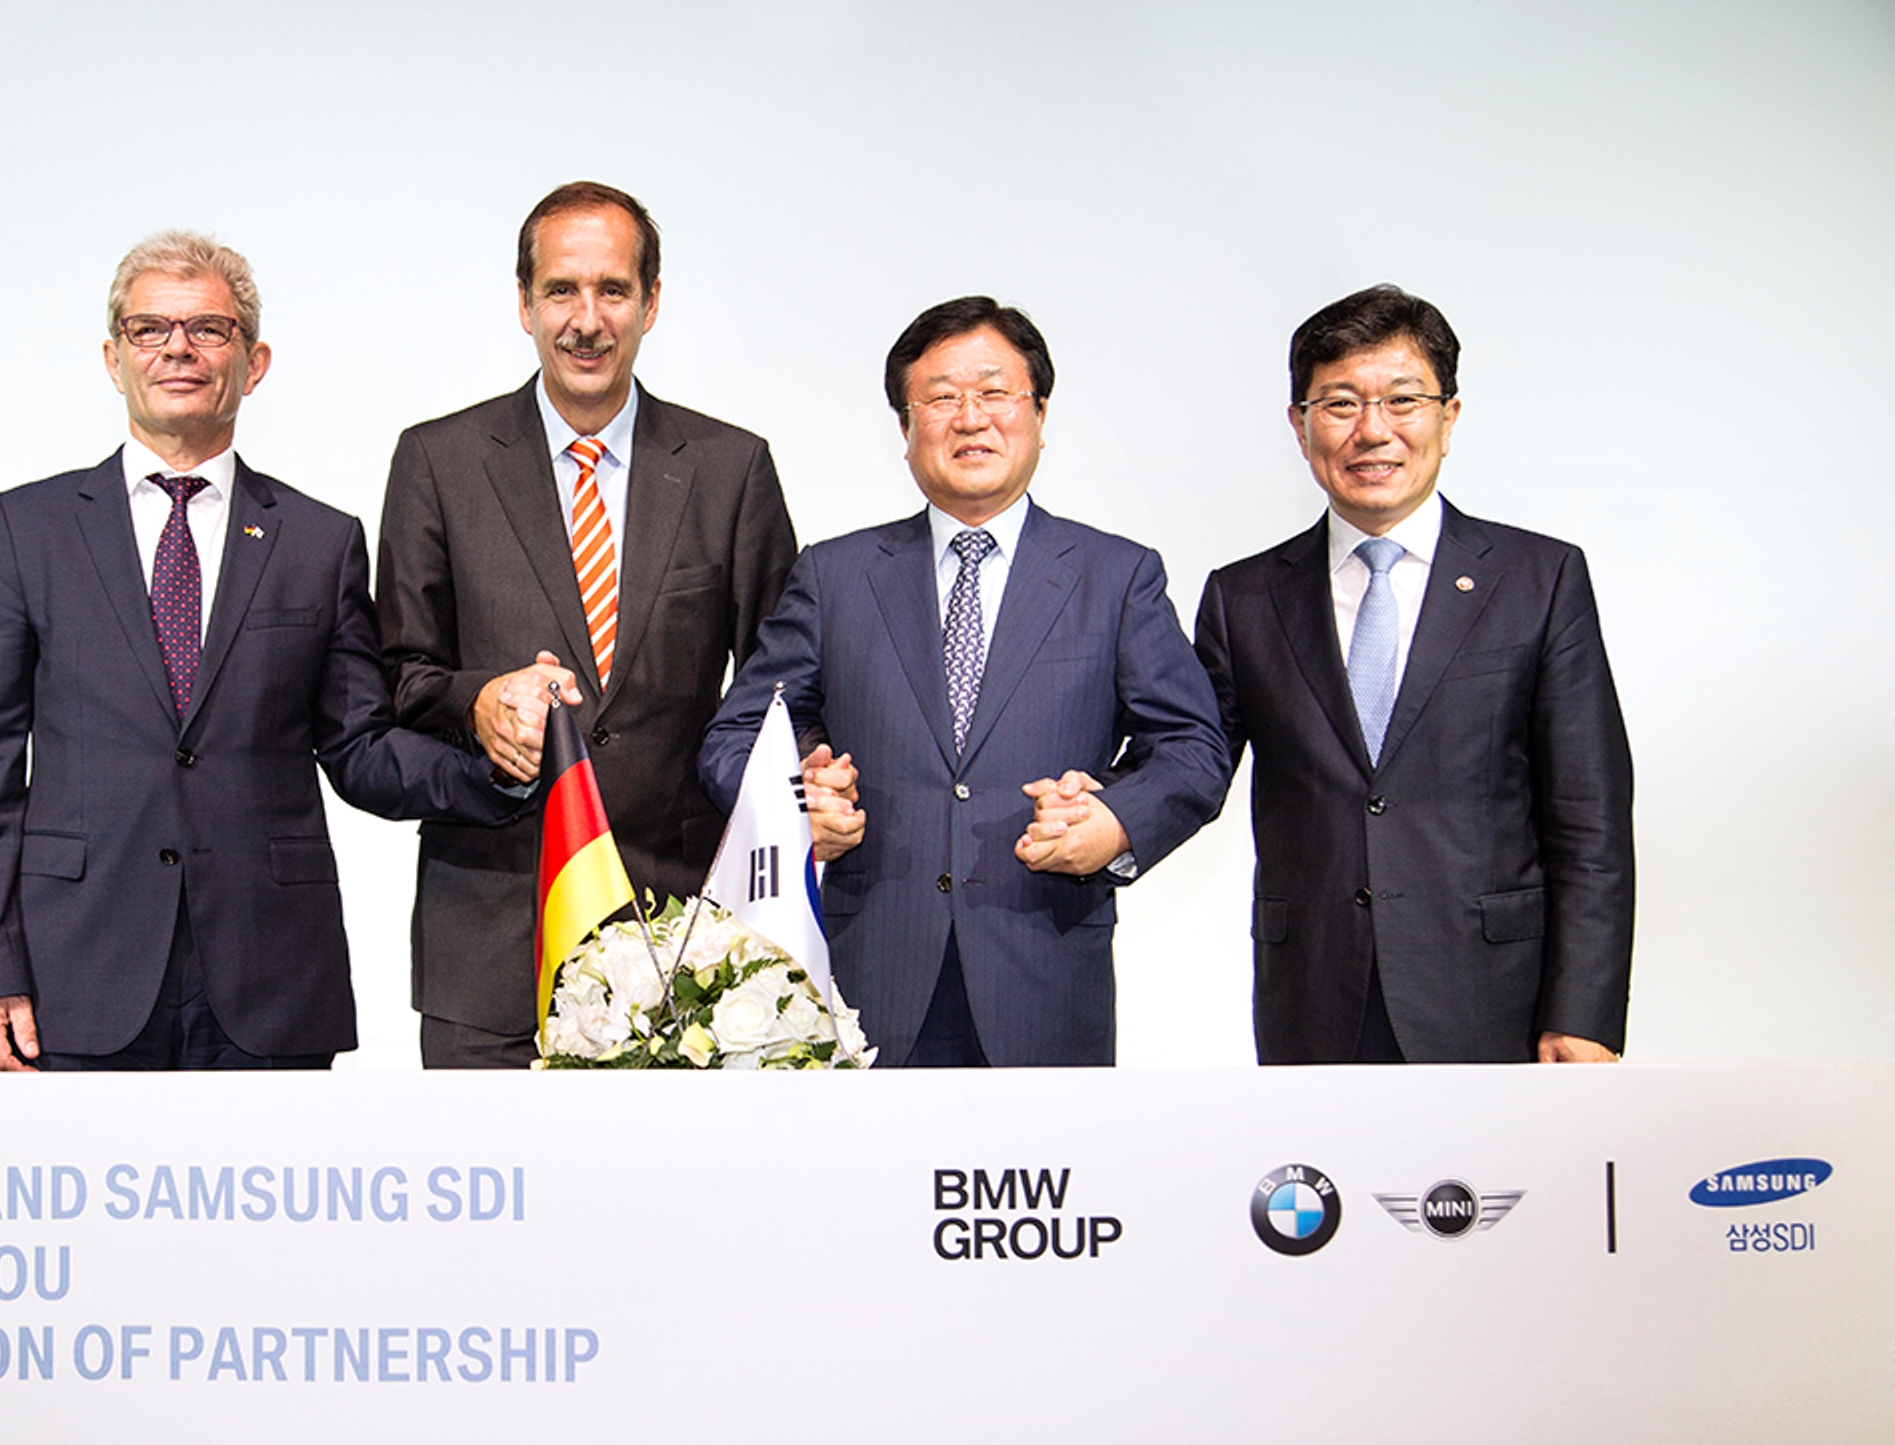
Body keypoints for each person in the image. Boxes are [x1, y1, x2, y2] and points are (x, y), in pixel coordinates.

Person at [0, 231, 518, 1071]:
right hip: (77, 976)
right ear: (113, 359)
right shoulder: (23, 532)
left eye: (209, 329)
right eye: (149, 329)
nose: (177, 347)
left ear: (254, 363)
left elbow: (360, 748)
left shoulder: (319, 542)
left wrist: (501, 768)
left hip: (270, 980)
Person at [699, 297, 1230, 1066]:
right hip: (865, 984)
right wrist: (794, 807)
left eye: (995, 393)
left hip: (1045, 982)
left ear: (1039, 415)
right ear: (906, 429)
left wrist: (1112, 824)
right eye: (942, 398)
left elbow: (1192, 750)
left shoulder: (1117, 576)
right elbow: (737, 733)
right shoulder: (835, 576)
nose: (971, 418)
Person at [376, 181, 799, 1068]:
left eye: (613, 289)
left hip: (688, 950)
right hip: (491, 938)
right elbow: (401, 678)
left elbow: (782, 692)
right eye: (561, 290)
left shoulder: (731, 469)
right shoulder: (438, 461)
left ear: (651, 302)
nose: (587, 319)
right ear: (524, 303)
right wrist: (479, 703)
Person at [1194, 283, 1633, 1064]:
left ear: (1448, 417)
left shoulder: (1539, 579)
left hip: (1496, 1001)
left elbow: (1589, 820)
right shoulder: (1245, 598)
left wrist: (1584, 1013)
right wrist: (1100, 813)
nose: (1373, 431)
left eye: (1402, 400)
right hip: (1314, 999)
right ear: (1300, 425)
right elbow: (1191, 767)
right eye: (1340, 404)